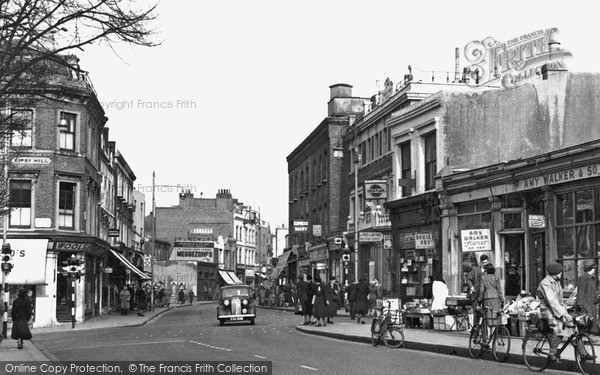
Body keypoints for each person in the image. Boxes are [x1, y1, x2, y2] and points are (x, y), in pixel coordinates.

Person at [537, 262, 580, 363]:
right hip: (547, 310)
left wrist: (567, 305)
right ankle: (552, 353)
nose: (561, 275)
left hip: (556, 309)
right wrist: (564, 313)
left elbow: (558, 300)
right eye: (560, 273)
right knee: (559, 327)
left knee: (572, 326)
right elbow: (552, 300)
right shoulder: (545, 283)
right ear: (555, 273)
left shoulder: (556, 282)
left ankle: (582, 353)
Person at [478, 263, 504, 331]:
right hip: (496, 297)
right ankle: (494, 333)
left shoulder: (483, 277)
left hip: (487, 297)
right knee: (495, 315)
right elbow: (499, 288)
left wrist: (480, 299)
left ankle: (489, 333)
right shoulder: (496, 277)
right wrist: (501, 297)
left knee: (488, 315)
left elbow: (481, 290)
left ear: (486, 270)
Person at [576, 261, 599, 334]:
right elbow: (580, 291)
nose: (594, 270)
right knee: (585, 322)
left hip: (591, 302)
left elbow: (593, 290)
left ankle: (588, 337)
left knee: (590, 321)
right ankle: (583, 338)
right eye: (594, 268)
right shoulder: (583, 277)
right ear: (591, 269)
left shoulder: (591, 278)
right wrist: (580, 305)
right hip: (585, 304)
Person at [466, 254, 489, 324]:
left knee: (486, 313)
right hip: (476, 294)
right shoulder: (475, 270)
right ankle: (475, 331)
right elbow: (468, 279)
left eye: (486, 263)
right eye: (483, 263)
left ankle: (484, 330)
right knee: (476, 313)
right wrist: (472, 287)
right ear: (480, 262)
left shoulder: (489, 270)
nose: (484, 264)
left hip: (486, 295)